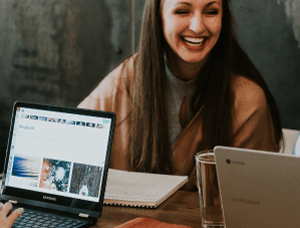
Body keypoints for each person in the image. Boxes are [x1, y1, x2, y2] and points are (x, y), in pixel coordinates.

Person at [78, 0, 282, 191]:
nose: (198, 27)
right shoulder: (126, 79)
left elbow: (255, 202)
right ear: (158, 16)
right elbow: (71, 146)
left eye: (211, 12)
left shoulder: (247, 99)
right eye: (182, 11)